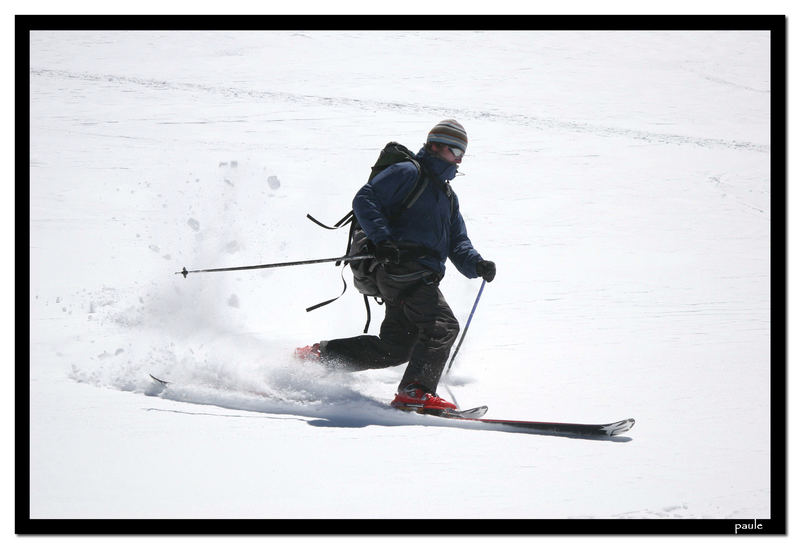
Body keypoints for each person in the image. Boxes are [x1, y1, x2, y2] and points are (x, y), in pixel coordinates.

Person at [295, 120, 496, 412]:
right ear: (436, 145)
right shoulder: (408, 172)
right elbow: (365, 200)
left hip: (416, 274)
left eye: (463, 152)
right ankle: (415, 391)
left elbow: (458, 242)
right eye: (455, 150)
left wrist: (477, 264)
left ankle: (321, 356)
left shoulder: (448, 197)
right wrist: (383, 239)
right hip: (401, 266)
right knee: (441, 327)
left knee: (397, 347)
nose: (459, 158)